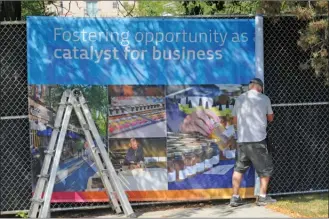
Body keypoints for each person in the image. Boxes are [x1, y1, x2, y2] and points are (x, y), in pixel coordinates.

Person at [229, 78, 276, 207]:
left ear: (250, 87)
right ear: (260, 87)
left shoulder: (240, 99)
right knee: (265, 169)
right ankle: (262, 197)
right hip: (258, 139)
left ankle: (235, 197)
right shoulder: (264, 99)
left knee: (239, 168)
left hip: (243, 140)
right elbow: (270, 118)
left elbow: (234, 119)